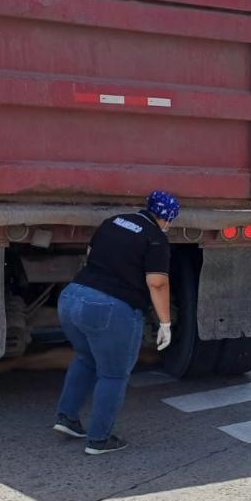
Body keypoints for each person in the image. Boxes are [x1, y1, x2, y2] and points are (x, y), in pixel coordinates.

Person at [53, 191, 179, 455]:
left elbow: (90, 254)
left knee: (85, 358)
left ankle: (67, 419)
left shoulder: (114, 221)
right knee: (113, 374)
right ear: (167, 217)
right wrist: (165, 323)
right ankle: (99, 440)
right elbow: (157, 282)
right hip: (110, 308)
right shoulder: (155, 238)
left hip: (72, 297)